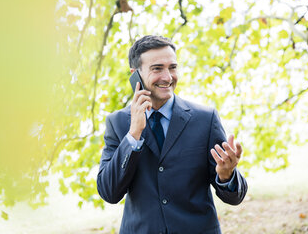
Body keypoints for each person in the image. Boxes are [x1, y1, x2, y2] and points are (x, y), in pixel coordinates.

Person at [97, 35, 248, 234]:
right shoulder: (118, 123)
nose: (168, 77)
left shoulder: (205, 119)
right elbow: (109, 192)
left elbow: (234, 197)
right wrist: (133, 134)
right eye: (157, 68)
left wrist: (226, 175)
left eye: (172, 67)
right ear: (136, 75)